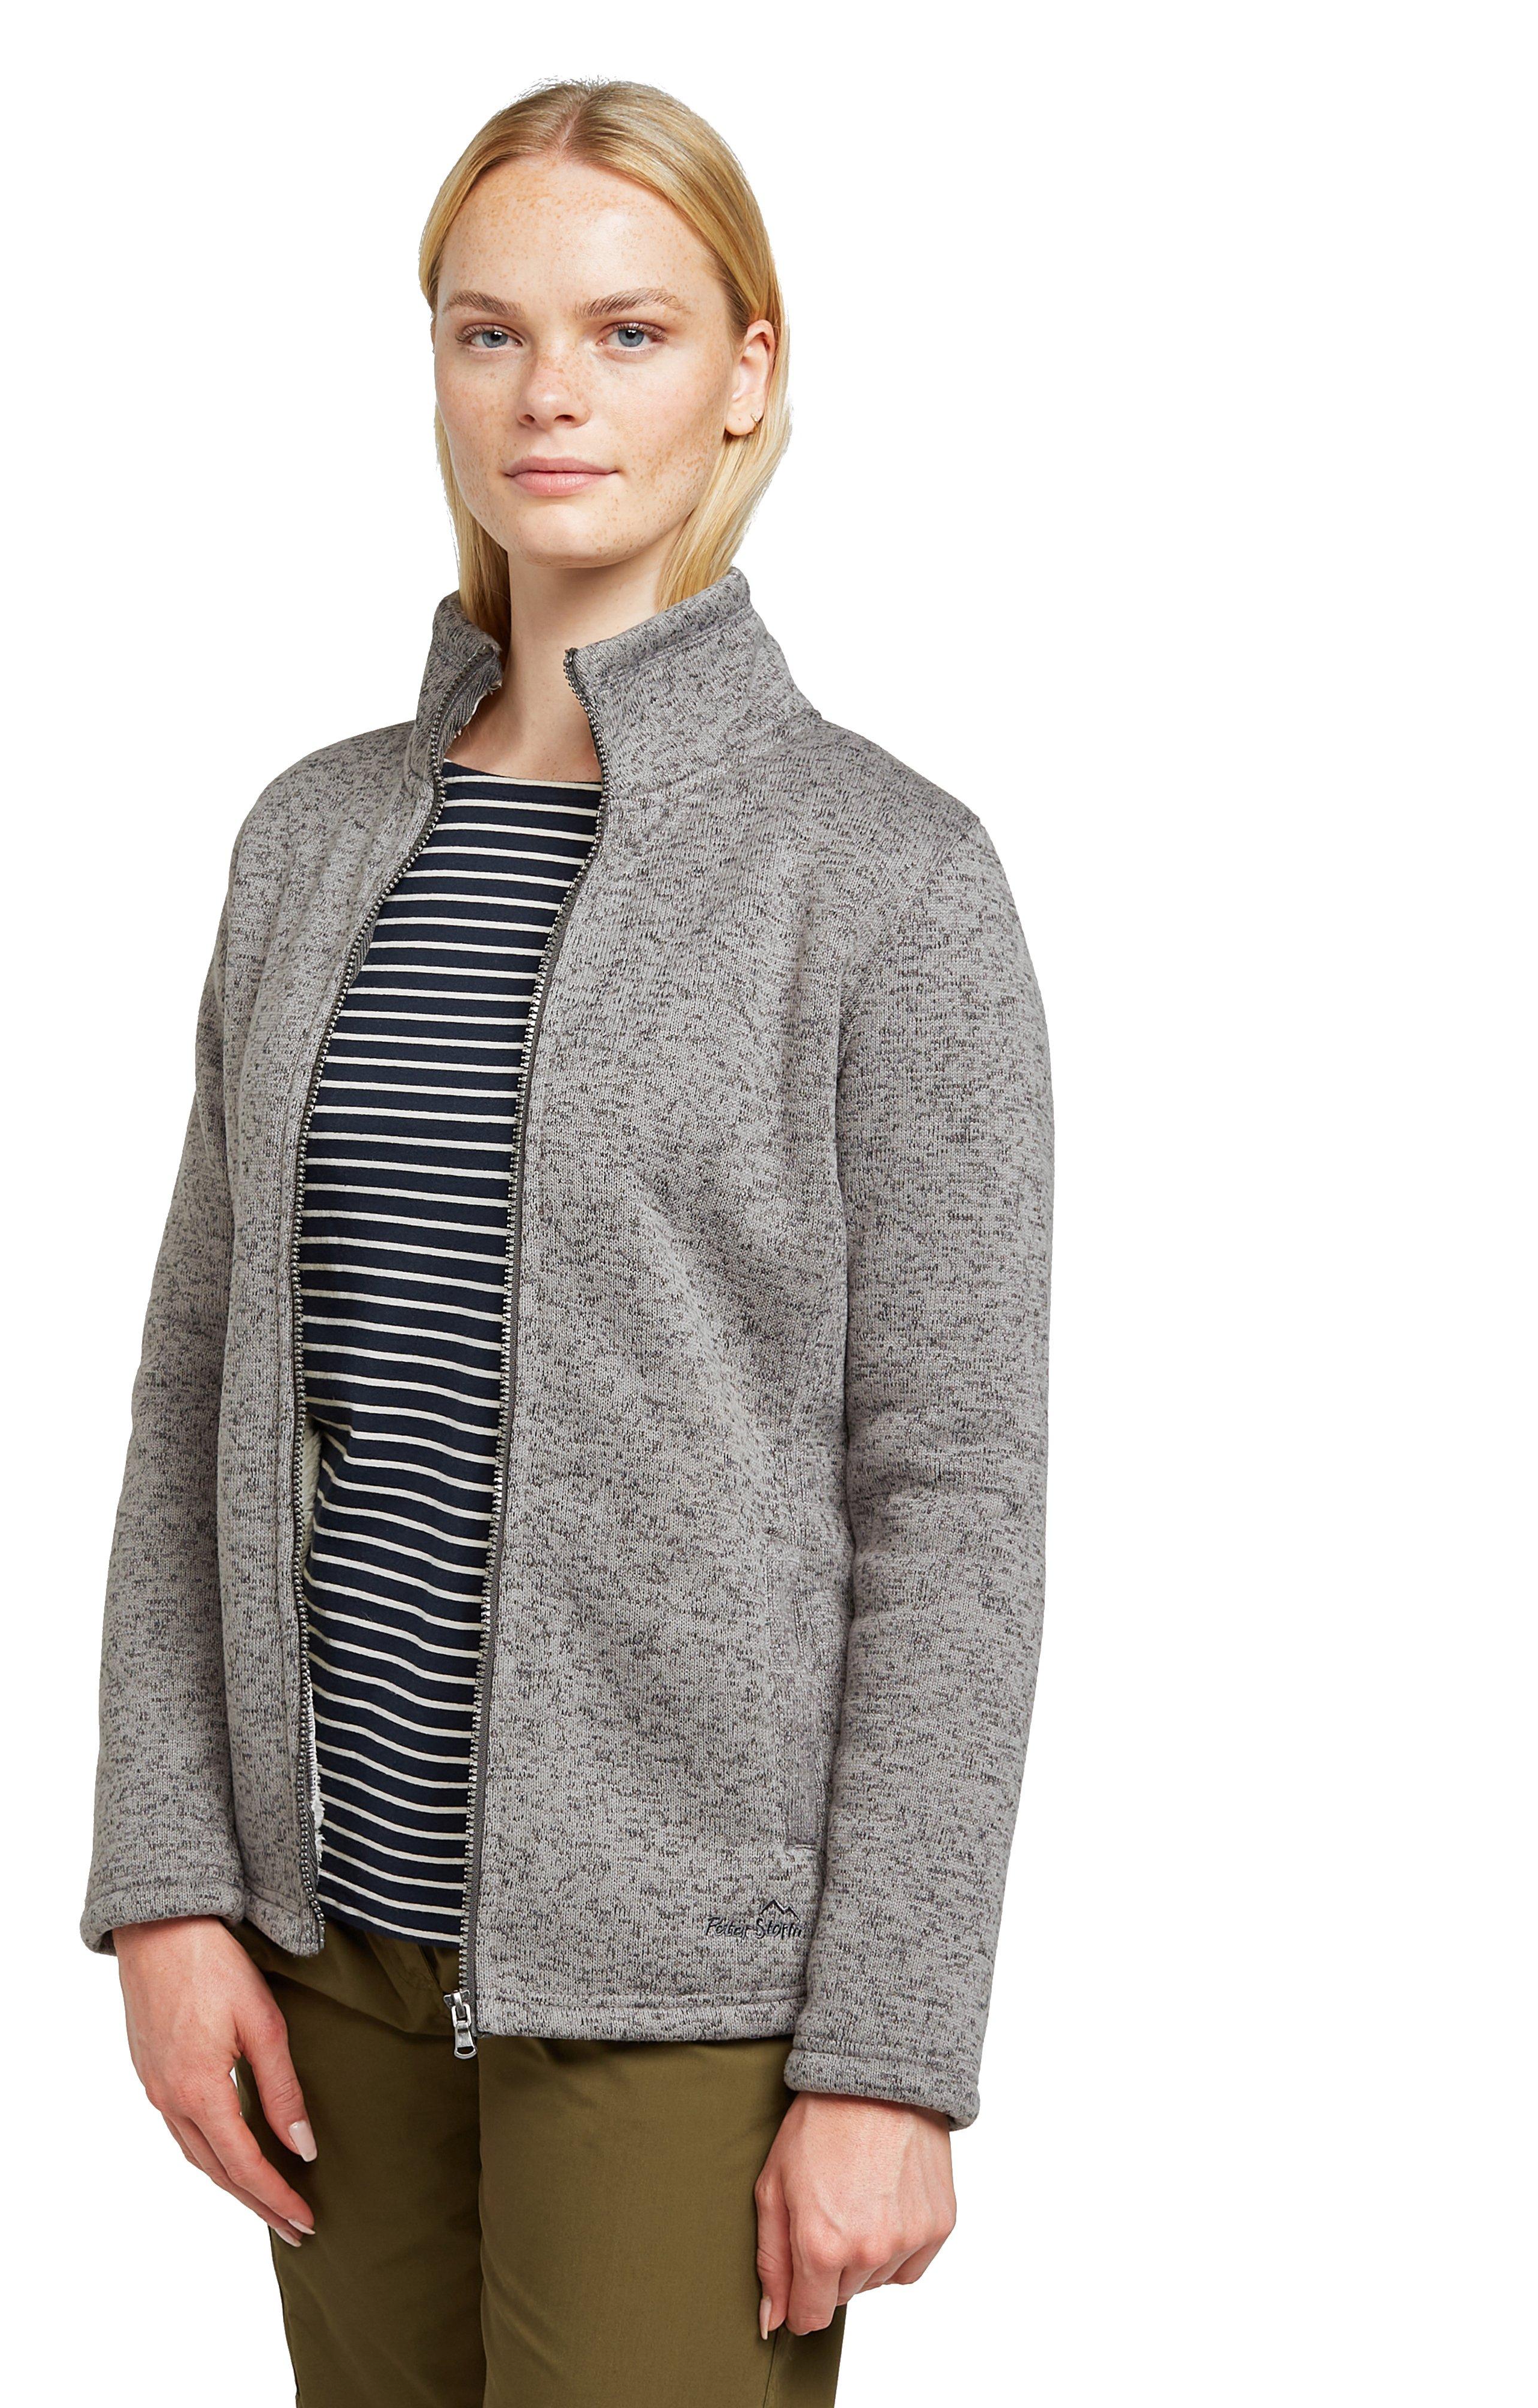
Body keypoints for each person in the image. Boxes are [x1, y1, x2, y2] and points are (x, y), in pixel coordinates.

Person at [83, 77, 1053, 2408]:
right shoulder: (313, 842)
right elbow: (199, 1378)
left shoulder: (885, 880)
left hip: (690, 1993)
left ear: (745, 370)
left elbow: (953, 1502)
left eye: (628, 331)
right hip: (329, 1955)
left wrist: (890, 2051)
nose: (550, 394)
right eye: (489, 330)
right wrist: (168, 1884)